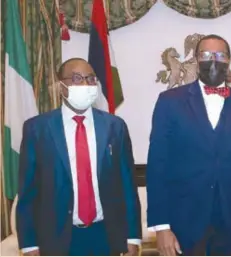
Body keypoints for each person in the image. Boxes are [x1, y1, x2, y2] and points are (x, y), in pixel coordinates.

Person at [146, 34, 231, 256]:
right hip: (183, 222)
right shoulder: (169, 101)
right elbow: (157, 166)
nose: (213, 60)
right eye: (205, 55)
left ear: (229, 60)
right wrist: (161, 226)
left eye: (220, 55)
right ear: (195, 59)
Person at [16, 58, 142, 256]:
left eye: (91, 79)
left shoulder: (115, 126)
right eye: (77, 78)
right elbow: (28, 191)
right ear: (61, 86)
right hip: (57, 237)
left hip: (106, 235)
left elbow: (127, 185)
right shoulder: (37, 129)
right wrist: (30, 244)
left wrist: (133, 237)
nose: (85, 84)